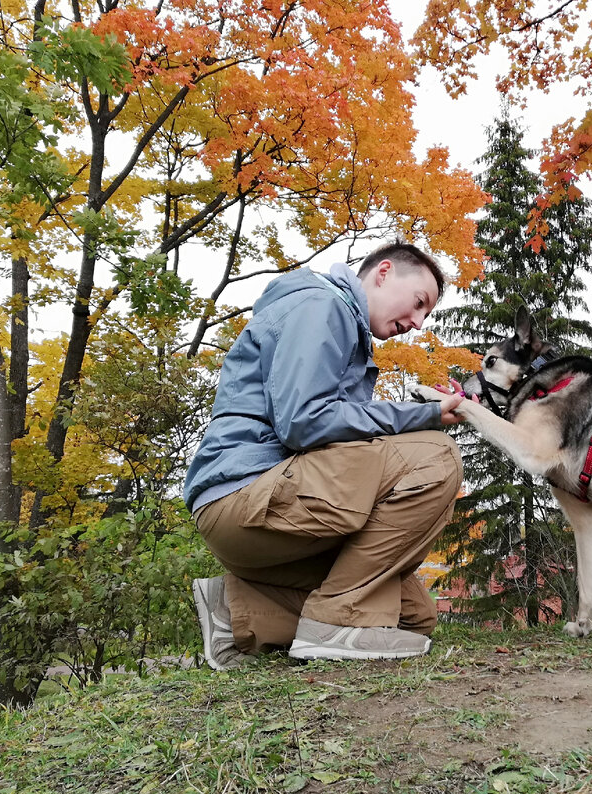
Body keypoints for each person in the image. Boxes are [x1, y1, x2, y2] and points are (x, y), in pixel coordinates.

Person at [183, 242, 467, 667]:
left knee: (413, 617)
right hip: (247, 495)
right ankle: (337, 626)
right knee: (437, 457)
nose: (417, 322)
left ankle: (233, 608)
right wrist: (421, 416)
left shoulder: (343, 327)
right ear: (384, 272)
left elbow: (340, 437)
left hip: (273, 510)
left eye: (426, 315)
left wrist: (423, 413)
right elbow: (303, 421)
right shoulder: (321, 304)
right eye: (418, 304)